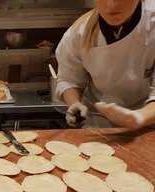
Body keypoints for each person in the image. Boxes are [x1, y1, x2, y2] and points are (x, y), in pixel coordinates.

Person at [56, 0, 155, 130]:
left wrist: (138, 118)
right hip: (98, 126)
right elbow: (69, 80)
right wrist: (74, 103)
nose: (111, 5)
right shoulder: (79, 32)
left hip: (147, 126)